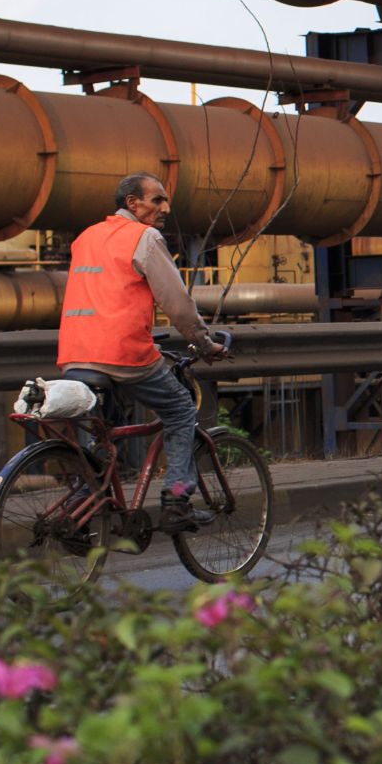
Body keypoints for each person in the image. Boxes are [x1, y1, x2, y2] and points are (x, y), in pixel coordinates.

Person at [56, 172, 230, 526]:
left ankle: (81, 506)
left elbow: (106, 293)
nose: (165, 208)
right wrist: (203, 342)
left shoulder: (87, 237)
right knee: (181, 410)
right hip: (121, 353)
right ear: (132, 203)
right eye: (157, 200)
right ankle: (177, 501)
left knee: (104, 430)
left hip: (74, 353)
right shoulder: (145, 237)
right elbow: (178, 305)